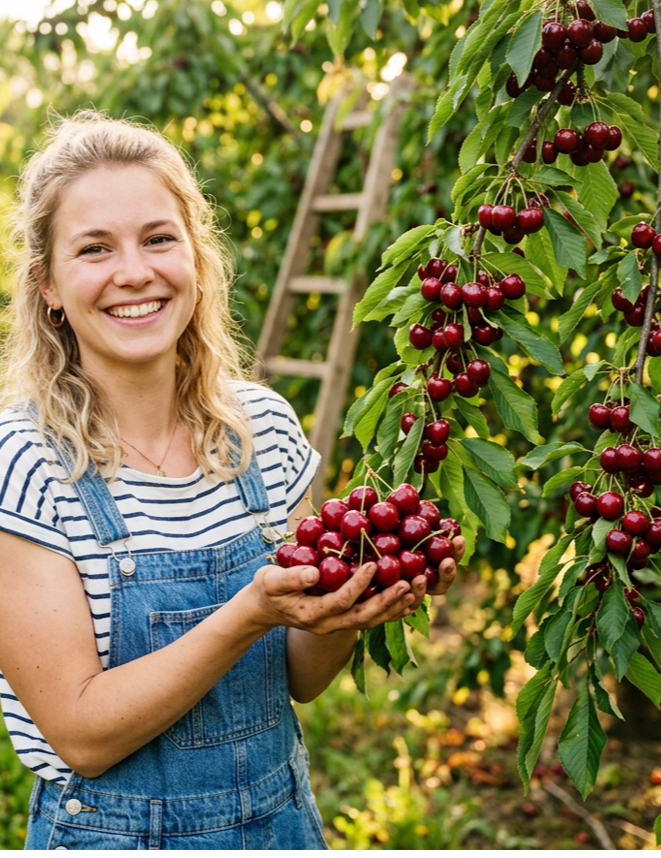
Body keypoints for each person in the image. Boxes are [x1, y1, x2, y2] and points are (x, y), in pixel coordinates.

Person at [0, 111, 460, 850]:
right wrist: (249, 613)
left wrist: (354, 599)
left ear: (197, 256)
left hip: (281, 826)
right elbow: (82, 734)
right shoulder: (25, 463)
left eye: (159, 238)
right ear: (48, 284)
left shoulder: (262, 428)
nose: (135, 272)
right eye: (94, 248)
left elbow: (302, 678)